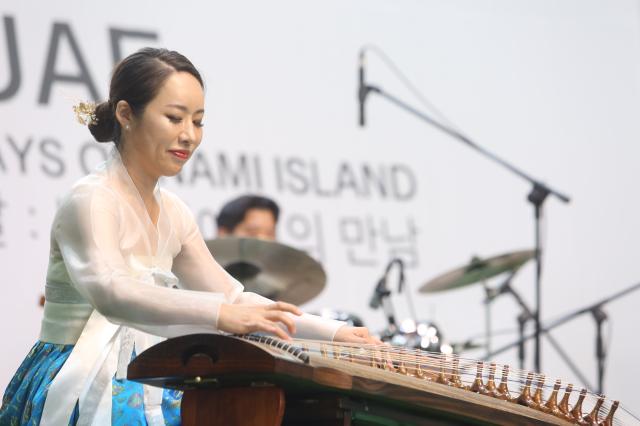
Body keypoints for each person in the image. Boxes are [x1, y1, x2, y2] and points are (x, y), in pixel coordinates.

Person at [0, 47, 378, 426]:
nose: (189, 136)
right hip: (76, 382)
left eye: (198, 121)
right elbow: (112, 293)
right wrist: (221, 315)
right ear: (126, 114)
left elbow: (233, 296)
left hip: (151, 378)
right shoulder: (91, 199)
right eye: (174, 118)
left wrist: (335, 333)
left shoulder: (174, 213)